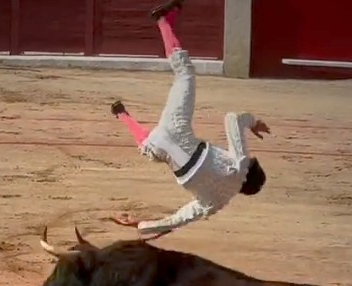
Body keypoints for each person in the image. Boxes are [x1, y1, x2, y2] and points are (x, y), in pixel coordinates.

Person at [109, 0, 270, 239]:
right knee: (149, 147)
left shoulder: (241, 164)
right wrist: (143, 225)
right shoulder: (218, 202)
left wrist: (253, 122)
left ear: (252, 169)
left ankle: (162, 21)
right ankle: (121, 115)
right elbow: (182, 217)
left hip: (180, 133)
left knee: (185, 73)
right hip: (167, 154)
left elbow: (232, 119)